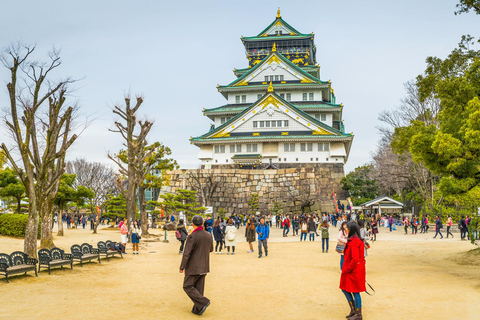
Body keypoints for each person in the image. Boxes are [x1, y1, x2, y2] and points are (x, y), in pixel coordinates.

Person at [179, 215, 213, 316]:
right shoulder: (208, 235)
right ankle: (197, 310)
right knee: (199, 288)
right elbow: (211, 249)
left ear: (192, 224)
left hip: (194, 266)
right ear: (203, 223)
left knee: (187, 286)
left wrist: (182, 267)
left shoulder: (192, 236)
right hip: (204, 265)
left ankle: (204, 302)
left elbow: (186, 253)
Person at [340, 221, 366, 320]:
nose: (346, 229)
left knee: (355, 291)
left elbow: (355, 258)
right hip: (351, 269)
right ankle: (354, 310)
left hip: (352, 270)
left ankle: (358, 314)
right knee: (345, 288)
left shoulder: (354, 241)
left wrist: (347, 269)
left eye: (347, 228)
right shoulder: (353, 239)